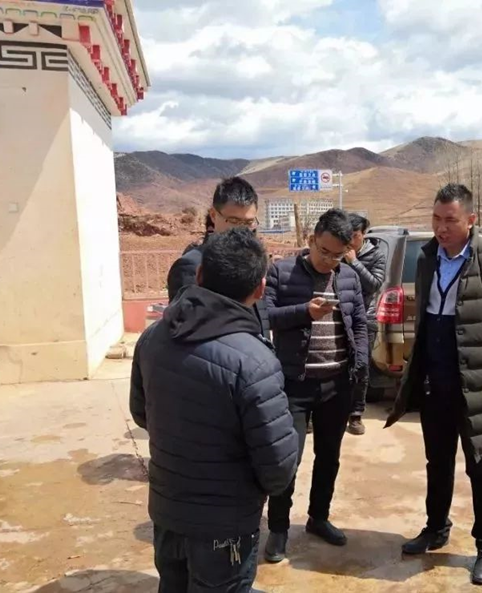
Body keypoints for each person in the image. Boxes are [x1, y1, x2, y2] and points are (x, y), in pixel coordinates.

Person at [130, 228, 299, 593]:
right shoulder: (255, 361)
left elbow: (142, 414)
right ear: (260, 289)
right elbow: (278, 468)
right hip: (224, 525)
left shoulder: (153, 338)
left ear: (200, 274)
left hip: (167, 510)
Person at [385, 183, 482, 586]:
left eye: (450, 220)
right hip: (435, 379)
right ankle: (436, 527)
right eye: (436, 219)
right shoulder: (428, 257)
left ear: (471, 220)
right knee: (437, 462)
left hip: (479, 381)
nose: (441, 227)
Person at [263, 208, 368, 563]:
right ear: (311, 240)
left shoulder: (348, 277)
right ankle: (278, 528)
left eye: (338, 255)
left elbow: (359, 323)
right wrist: (304, 312)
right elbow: (264, 317)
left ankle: (318, 517)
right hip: (294, 384)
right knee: (287, 459)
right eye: (324, 251)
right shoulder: (282, 272)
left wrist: (360, 362)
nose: (329, 260)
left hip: (336, 385)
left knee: (329, 457)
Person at [165, 177, 270, 338]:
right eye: (234, 220)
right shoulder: (190, 265)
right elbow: (185, 329)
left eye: (248, 222)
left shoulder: (254, 261)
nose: (242, 230)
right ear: (213, 215)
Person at [343, 213, 387, 436]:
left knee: (361, 366)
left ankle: (356, 414)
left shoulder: (376, 255)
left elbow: (374, 284)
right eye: (347, 236)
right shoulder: (336, 253)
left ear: (363, 235)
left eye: (355, 235)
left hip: (364, 318)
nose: (351, 241)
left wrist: (354, 262)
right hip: (340, 316)